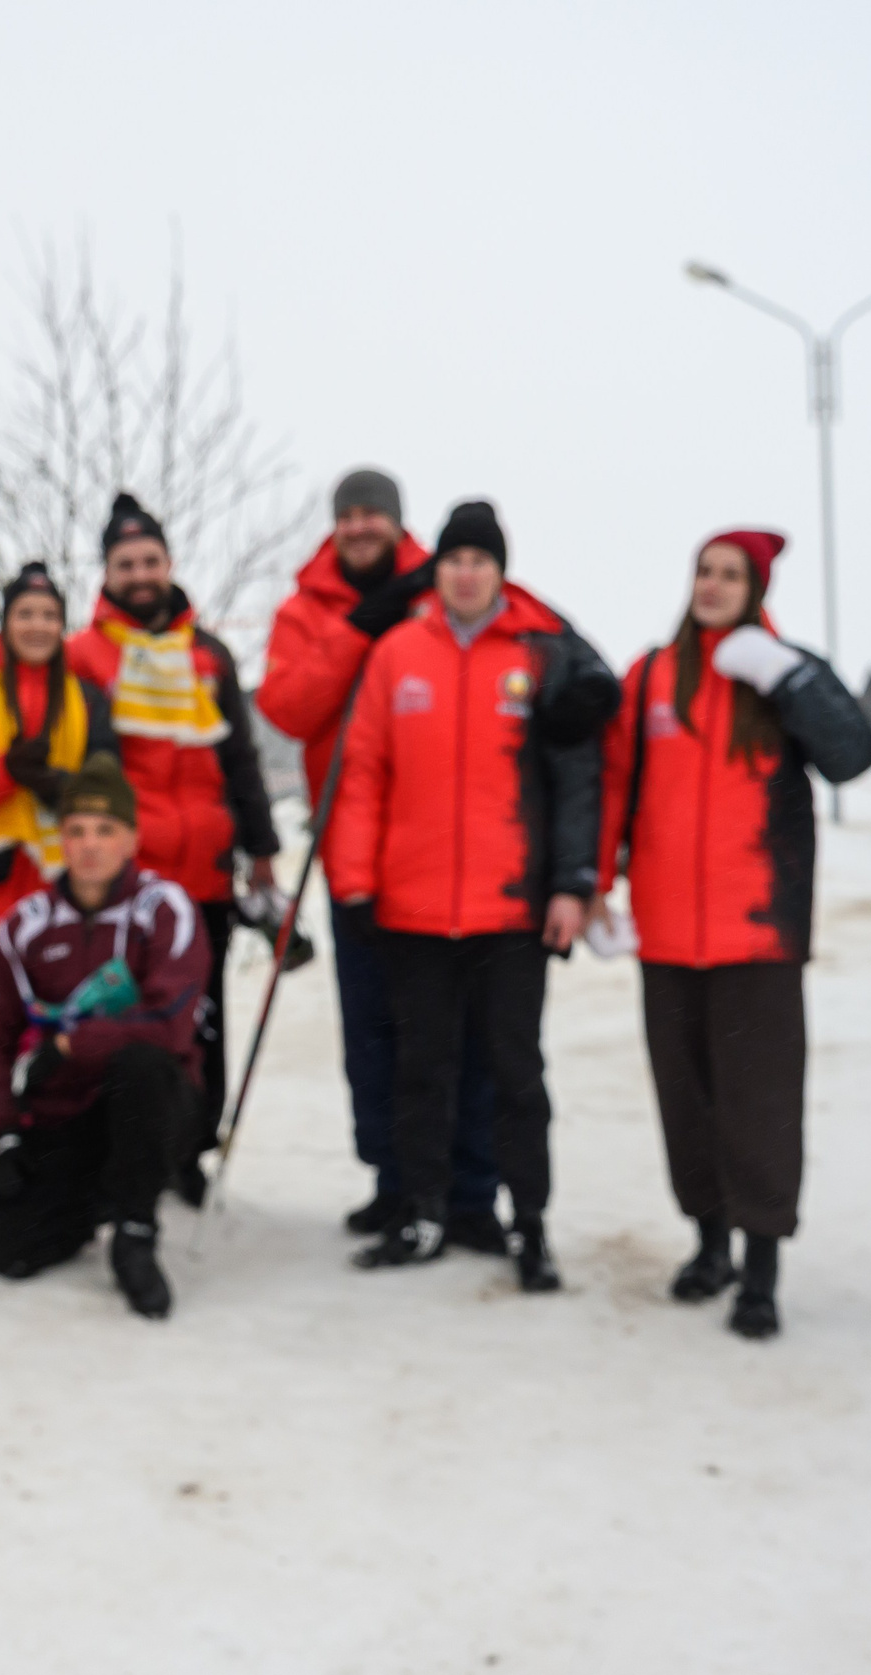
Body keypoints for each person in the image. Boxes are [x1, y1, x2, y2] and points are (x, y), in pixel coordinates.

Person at [592, 529, 871, 1339]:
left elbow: (853, 754)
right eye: (703, 572)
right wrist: (595, 880)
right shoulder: (651, 675)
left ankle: (761, 1269)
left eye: (730, 576)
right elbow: (616, 782)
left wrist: (790, 679)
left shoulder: (784, 674)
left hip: (756, 934)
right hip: (668, 934)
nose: (712, 586)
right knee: (688, 1100)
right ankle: (708, 1243)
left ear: (755, 589)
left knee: (759, 1105)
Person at [325, 499, 616, 1288]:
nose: (465, 573)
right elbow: (363, 776)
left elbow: (574, 779)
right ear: (438, 568)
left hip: (509, 911)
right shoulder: (396, 654)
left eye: (480, 560)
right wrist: (353, 881)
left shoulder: (538, 656)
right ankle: (422, 1211)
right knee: (422, 1067)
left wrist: (570, 886)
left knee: (516, 1073)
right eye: (453, 558)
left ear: (500, 572)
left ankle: (526, 1222)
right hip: (413, 910)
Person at [255, 469, 504, 1252]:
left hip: (447, 851)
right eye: (349, 515)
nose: (361, 526)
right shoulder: (305, 611)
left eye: (374, 514)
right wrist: (360, 626)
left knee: (458, 1033)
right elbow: (289, 707)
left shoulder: (450, 584)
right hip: (352, 850)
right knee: (374, 1029)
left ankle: (467, 1188)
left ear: (398, 524)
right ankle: (394, 1180)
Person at [65, 492, 280, 1200]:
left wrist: (261, 846)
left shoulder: (208, 655)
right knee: (122, 1020)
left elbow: (241, 760)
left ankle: (189, 1147)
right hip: (129, 881)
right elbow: (87, 768)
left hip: (207, 876)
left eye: (150, 559)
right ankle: (118, 1152)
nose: (140, 574)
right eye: (125, 563)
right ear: (106, 572)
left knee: (200, 1021)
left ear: (169, 563)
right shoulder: (87, 656)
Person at [0, 753, 210, 1319]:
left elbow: (172, 1025)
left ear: (131, 839)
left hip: (154, 1103)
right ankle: (97, 1195)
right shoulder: (24, 923)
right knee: (3, 1252)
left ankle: (135, 1228)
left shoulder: (165, 908)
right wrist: (3, 1132)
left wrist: (71, 1045)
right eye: (76, 831)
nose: (91, 845)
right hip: (66, 1111)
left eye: (106, 830)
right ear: (60, 841)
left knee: (140, 1065)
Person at [0, 563, 120, 1239]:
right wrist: (6, 771)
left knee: (56, 1038)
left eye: (48, 614)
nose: (37, 625)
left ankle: (48, 1170)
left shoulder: (86, 697)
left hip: (58, 895)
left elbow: (107, 788)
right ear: (6, 623)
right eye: (25, 614)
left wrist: (63, 785)